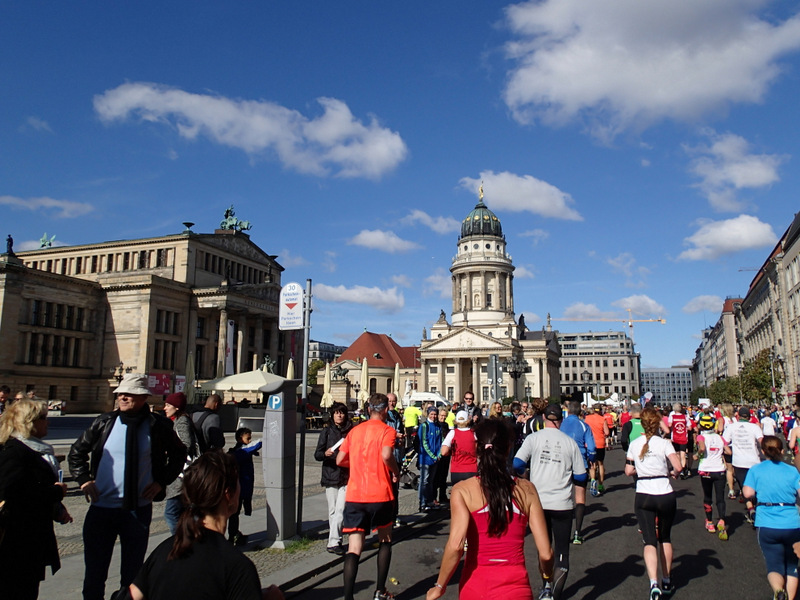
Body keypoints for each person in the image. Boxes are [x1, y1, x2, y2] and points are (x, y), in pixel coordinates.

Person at [68, 373, 187, 600]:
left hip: (137, 509)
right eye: (120, 393)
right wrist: (83, 479)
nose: (122, 397)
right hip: (102, 509)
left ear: (143, 397)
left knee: (132, 576)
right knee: (94, 573)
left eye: (128, 393)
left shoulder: (157, 425)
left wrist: (161, 482)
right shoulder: (104, 422)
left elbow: (179, 453)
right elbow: (77, 452)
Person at [426, 419, 555, 600]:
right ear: (508, 449)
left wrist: (440, 586)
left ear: (477, 449)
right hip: (516, 587)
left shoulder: (463, 490)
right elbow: (546, 554)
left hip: (476, 586)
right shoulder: (526, 489)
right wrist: (547, 576)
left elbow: (456, 545)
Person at [129, 451, 284, 600]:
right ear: (228, 495)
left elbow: (132, 595)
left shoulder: (165, 551)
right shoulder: (236, 568)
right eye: (238, 483)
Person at [0, 399, 73, 599]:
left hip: (28, 540)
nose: (47, 422)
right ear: (28, 422)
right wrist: (55, 493)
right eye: (43, 418)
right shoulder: (14, 452)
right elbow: (13, 495)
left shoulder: (33, 450)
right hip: (16, 543)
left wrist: (56, 508)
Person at [514, 403, 586, 600]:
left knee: (544, 549)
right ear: (561, 420)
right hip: (562, 503)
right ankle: (555, 593)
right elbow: (581, 476)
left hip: (539, 502)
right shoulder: (569, 443)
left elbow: (517, 463)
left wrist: (526, 475)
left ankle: (546, 585)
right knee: (562, 551)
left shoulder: (533, 438)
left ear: (543, 419)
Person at [336, 393, 400, 600]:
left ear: (368, 409)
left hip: (356, 495)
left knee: (354, 547)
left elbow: (340, 459)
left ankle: (347, 597)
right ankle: (380, 591)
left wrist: (356, 464)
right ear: (384, 410)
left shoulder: (354, 431)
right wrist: (396, 471)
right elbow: (386, 455)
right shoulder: (387, 430)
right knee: (385, 540)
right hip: (380, 494)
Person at [625, 406, 683, 600]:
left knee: (649, 541)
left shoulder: (635, 444)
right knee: (665, 537)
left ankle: (653, 583)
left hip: (644, 493)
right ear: (657, 424)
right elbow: (678, 466)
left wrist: (639, 469)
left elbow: (628, 470)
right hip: (664, 491)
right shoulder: (664, 443)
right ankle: (666, 579)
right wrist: (673, 473)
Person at [743, 436, 800, 600]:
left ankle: (778, 590)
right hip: (792, 523)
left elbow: (748, 493)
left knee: (774, 563)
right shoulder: (792, 470)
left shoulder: (756, 470)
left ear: (762, 452)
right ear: (782, 451)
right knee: (791, 565)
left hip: (767, 522)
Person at [314, 402, 353, 555]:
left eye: (341, 412)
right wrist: (325, 454)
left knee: (341, 509)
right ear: (332, 415)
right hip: (330, 473)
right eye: (336, 413)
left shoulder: (351, 431)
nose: (339, 415)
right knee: (333, 510)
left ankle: (334, 541)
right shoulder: (326, 431)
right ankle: (335, 540)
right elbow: (317, 454)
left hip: (345, 474)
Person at [560, 400, 596, 545]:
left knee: (565, 496)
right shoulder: (584, 425)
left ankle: (563, 531)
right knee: (580, 497)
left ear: (567, 411)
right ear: (580, 412)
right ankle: (578, 532)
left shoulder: (561, 424)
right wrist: (591, 458)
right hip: (580, 462)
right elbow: (592, 447)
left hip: (562, 462)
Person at [163, 392, 198, 535]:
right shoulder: (179, 420)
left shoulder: (181, 421)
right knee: (188, 511)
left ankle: (180, 540)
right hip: (184, 474)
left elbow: (186, 444)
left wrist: (168, 451)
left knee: (171, 513)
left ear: (176, 407)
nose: (164, 408)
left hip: (181, 474)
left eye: (168, 405)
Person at [723, 406, 764, 525]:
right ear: (750, 417)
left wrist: (728, 451)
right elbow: (762, 441)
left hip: (739, 462)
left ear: (738, 416)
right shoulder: (754, 427)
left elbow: (724, 441)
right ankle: (757, 507)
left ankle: (751, 509)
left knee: (744, 487)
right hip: (754, 461)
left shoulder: (731, 427)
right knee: (756, 487)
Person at [694, 414, 730, 540]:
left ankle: (709, 522)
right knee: (720, 497)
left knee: (708, 496)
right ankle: (721, 520)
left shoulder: (701, 436)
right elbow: (728, 451)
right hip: (719, 470)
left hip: (706, 470)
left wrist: (697, 455)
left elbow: (702, 448)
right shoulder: (720, 437)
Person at [228, 427, 262, 546]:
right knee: (234, 513)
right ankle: (232, 536)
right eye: (248, 438)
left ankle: (234, 534)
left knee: (234, 513)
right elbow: (255, 445)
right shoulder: (241, 451)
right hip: (240, 487)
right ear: (239, 439)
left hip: (243, 487)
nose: (250, 440)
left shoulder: (238, 451)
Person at [441, 410, 478, 485]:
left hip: (457, 470)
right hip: (471, 470)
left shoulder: (452, 433)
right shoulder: (474, 433)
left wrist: (451, 452)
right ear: (468, 420)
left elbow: (443, 452)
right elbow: (478, 450)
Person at [418, 405, 443, 512]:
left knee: (431, 481)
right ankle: (422, 503)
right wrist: (432, 456)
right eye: (432, 414)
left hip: (435, 458)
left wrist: (439, 454)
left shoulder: (438, 426)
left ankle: (429, 501)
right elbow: (424, 442)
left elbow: (441, 441)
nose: (433, 416)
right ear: (428, 414)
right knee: (424, 481)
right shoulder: (424, 426)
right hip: (425, 458)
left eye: (435, 414)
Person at [584, 405, 609, 496]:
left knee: (591, 464)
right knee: (600, 464)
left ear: (593, 410)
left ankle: (593, 480)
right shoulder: (602, 419)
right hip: (600, 443)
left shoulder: (587, 418)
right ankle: (601, 485)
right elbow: (606, 432)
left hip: (590, 443)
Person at [432, 407, 451, 506]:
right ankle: (434, 497)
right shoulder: (435, 425)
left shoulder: (446, 425)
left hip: (445, 453)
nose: (443, 417)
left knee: (444, 475)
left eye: (445, 416)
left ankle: (442, 496)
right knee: (436, 476)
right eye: (441, 415)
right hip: (437, 453)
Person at [667, 403, 691, 479]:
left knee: (677, 454)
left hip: (675, 437)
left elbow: (670, 425)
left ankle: (679, 469)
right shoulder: (685, 417)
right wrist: (685, 428)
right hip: (683, 437)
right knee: (683, 455)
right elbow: (690, 427)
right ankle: (683, 470)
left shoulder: (672, 416)